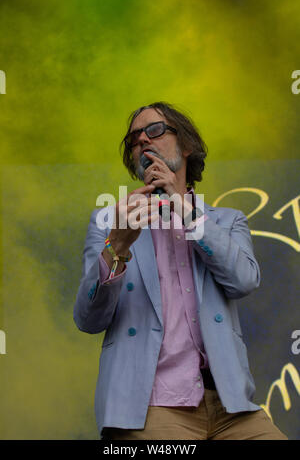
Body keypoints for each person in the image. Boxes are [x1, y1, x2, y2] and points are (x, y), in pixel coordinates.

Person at [74, 102, 288, 440]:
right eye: (134, 140)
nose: (142, 140)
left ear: (187, 146)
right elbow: (88, 319)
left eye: (155, 130)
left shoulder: (227, 220)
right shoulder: (108, 222)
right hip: (150, 407)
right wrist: (116, 247)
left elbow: (244, 280)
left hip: (231, 408)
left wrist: (186, 211)